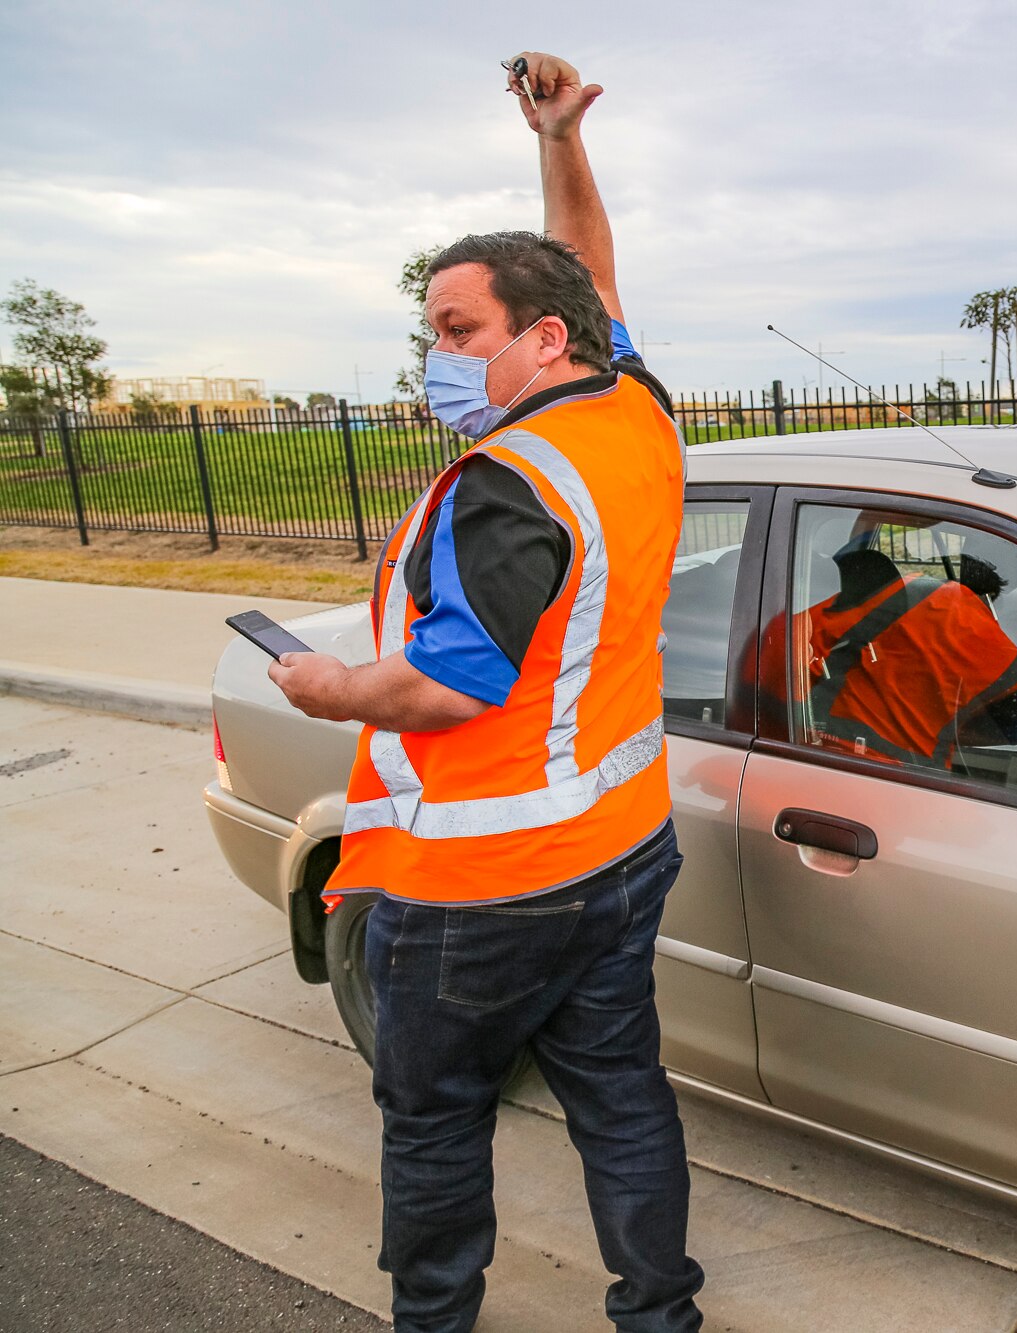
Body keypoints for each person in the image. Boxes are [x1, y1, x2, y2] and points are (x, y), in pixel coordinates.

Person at [267, 51, 702, 1333]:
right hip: (622, 848)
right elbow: (581, 269)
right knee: (622, 1094)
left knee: (436, 1118)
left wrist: (329, 683)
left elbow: (453, 688)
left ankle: (434, 1319)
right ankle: (658, 1314)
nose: (437, 355)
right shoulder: (634, 413)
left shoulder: (506, 484)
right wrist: (560, 140)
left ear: (539, 340)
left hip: (483, 885)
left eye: (456, 330)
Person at [762, 522, 1017, 768]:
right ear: (983, 600)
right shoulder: (962, 615)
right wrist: (947, 728)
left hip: (807, 757)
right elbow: (1015, 725)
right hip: (899, 774)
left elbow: (762, 698)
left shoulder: (796, 623)